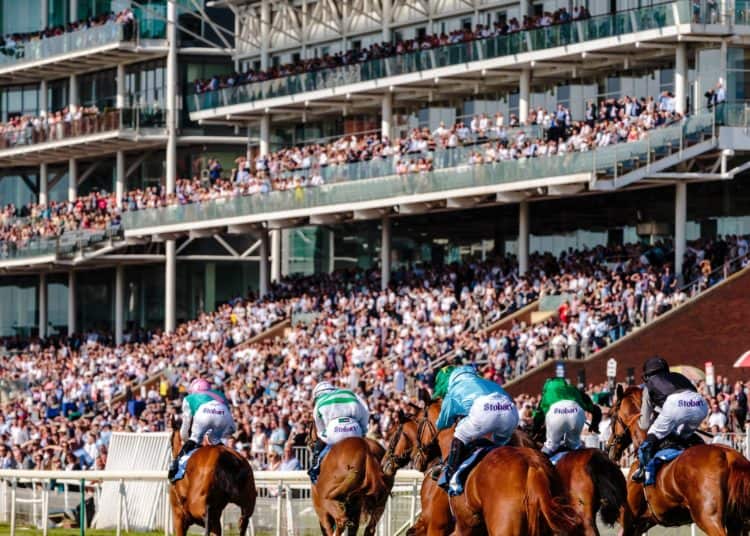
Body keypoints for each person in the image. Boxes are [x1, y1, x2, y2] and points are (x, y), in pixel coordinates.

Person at [434, 365, 519, 490]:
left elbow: (442, 423)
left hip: (484, 410)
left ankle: (451, 477)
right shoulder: (486, 381)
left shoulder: (454, 388)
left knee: (460, 434)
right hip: (510, 411)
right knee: (498, 445)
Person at [631, 356, 708, 483]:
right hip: (700, 405)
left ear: (647, 375)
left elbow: (644, 424)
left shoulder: (648, 386)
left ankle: (644, 471)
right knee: (681, 437)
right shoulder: (679, 376)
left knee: (650, 439)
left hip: (675, 405)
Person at [167, 378, 236, 482]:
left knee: (194, 440)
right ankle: (232, 465)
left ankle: (176, 471)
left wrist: (186, 439)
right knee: (215, 440)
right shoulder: (220, 394)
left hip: (205, 416)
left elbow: (186, 423)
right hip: (225, 417)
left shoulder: (189, 398)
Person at [308, 380, 370, 480]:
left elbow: (320, 431)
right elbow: (365, 411)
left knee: (321, 445)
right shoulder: (349, 393)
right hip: (355, 428)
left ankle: (315, 468)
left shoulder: (319, 402)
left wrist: (323, 435)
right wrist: (363, 431)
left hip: (334, 430)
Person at [533, 375, 601, 456]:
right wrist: (594, 425)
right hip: (576, 413)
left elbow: (538, 416)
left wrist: (535, 430)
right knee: (575, 446)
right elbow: (595, 409)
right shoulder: (573, 389)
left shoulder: (547, 392)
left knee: (550, 446)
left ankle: (542, 466)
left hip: (556, 414)